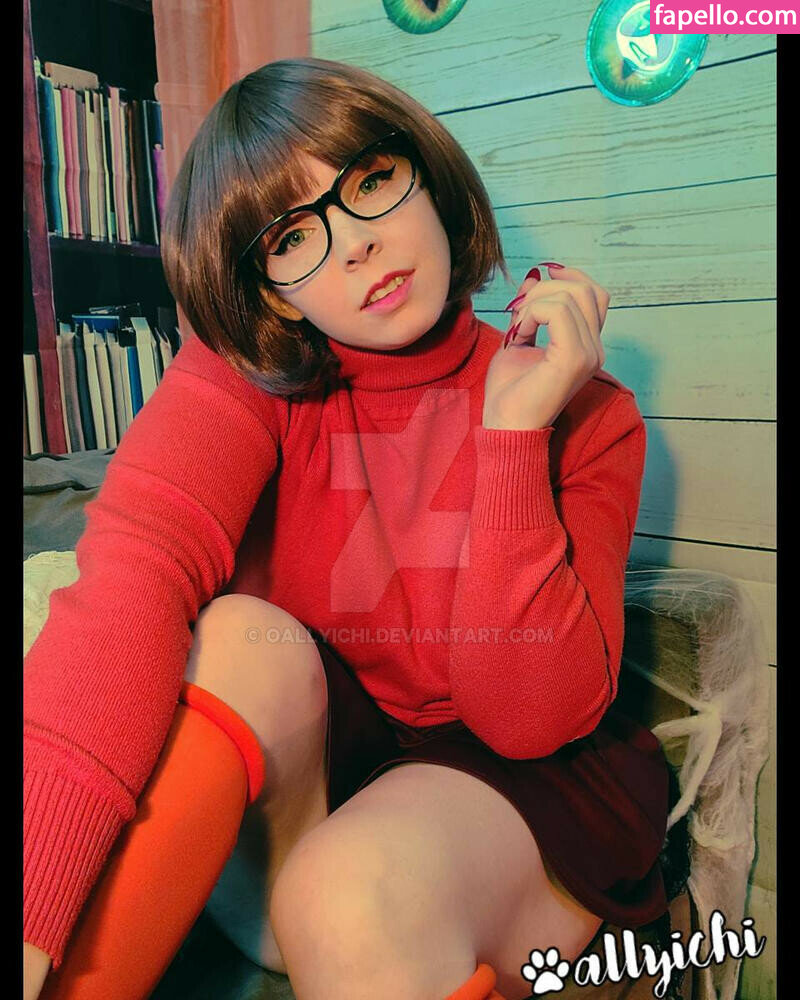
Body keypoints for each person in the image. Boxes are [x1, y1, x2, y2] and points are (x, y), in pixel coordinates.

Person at [23, 57, 674, 1000]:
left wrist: (511, 437)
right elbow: (134, 571)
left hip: (527, 776)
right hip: (336, 757)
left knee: (345, 898)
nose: (358, 245)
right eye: (294, 236)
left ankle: (344, 914)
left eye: (369, 182)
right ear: (273, 291)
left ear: (427, 176)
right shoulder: (248, 377)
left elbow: (526, 719)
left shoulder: (590, 412)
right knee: (232, 636)